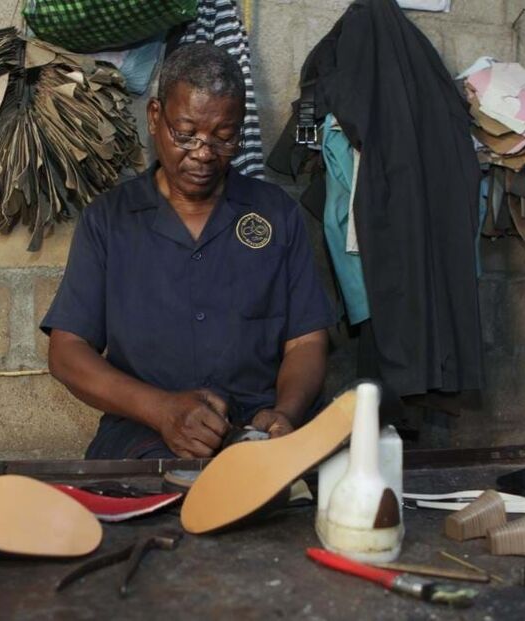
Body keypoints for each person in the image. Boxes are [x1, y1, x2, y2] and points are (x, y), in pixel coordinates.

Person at [41, 43, 335, 459]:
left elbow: (305, 341)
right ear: (155, 116)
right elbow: (67, 352)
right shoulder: (110, 220)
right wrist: (160, 410)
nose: (203, 153)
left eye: (224, 138)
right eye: (186, 134)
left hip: (260, 433)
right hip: (143, 432)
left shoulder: (275, 214)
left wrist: (283, 413)